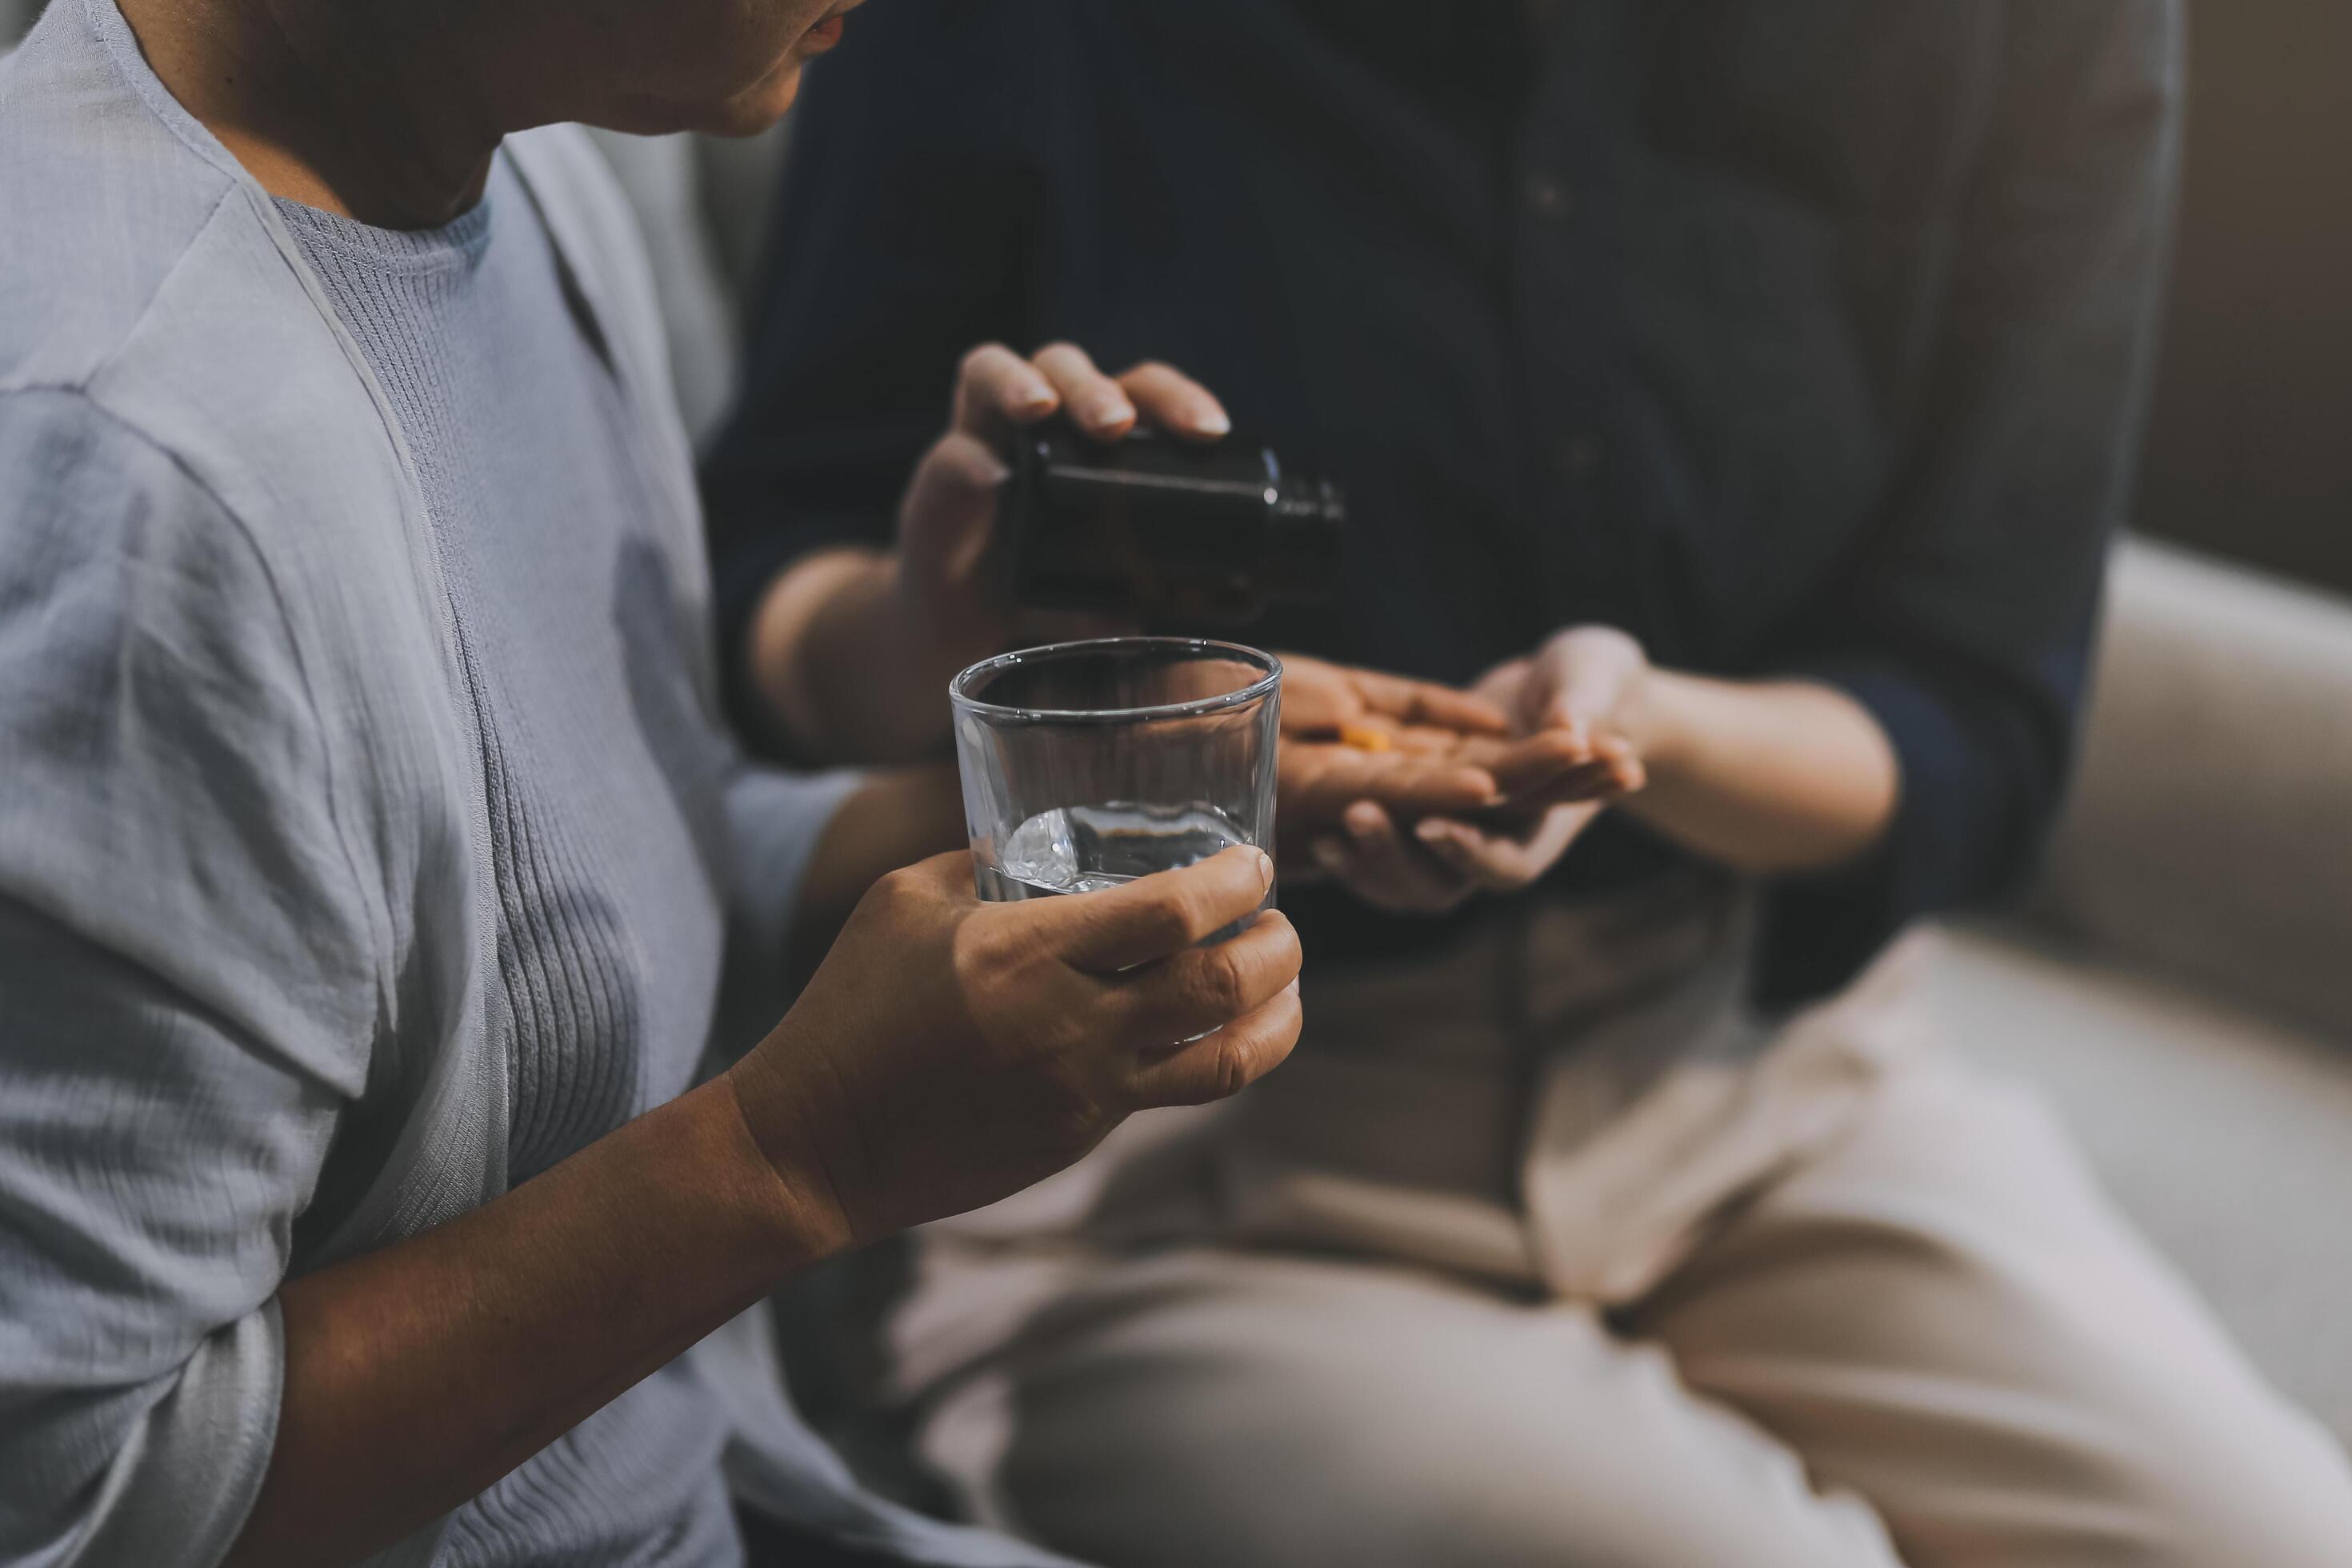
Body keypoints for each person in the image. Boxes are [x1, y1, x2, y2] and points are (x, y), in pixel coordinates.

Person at [700, 3, 2352, 1565]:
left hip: (1764, 1090)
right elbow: (768, 589)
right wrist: (931, 624)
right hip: (1169, 1156)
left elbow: (1977, 712)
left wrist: (1650, 736)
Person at [0, 0, 1570, 1562]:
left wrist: (1053, 776)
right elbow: (83, 1501)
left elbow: (544, 889)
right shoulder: (141, 480)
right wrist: (798, 1156)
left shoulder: (512, 172)